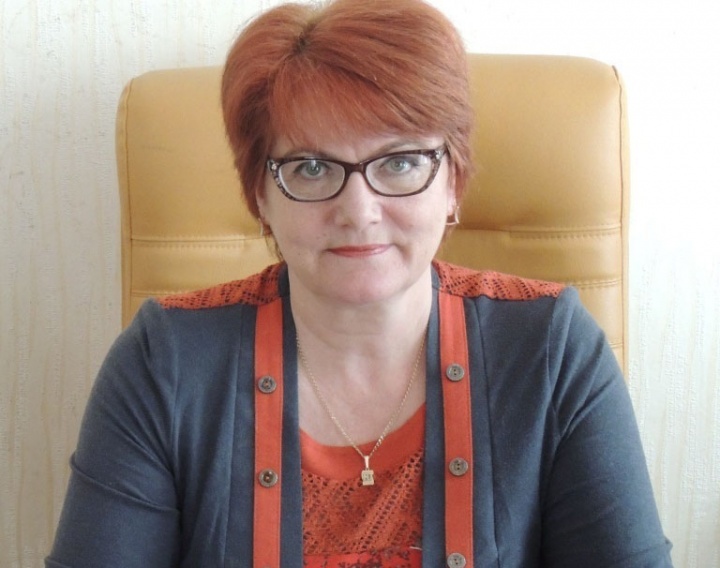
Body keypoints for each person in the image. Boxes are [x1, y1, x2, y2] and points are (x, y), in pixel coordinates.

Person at [47, 0, 673, 566]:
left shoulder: (553, 350)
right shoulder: (164, 361)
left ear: (453, 182)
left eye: (399, 162)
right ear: (259, 194)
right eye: (311, 167)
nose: (359, 211)